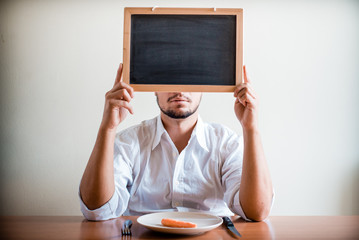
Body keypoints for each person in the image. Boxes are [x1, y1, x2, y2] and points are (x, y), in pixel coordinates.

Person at [79, 63, 273, 221]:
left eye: (190, 80)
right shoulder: (129, 142)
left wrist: (251, 129)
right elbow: (97, 210)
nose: (180, 89)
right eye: (168, 79)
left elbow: (257, 212)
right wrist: (107, 128)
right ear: (154, 90)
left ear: (204, 89)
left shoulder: (225, 143)